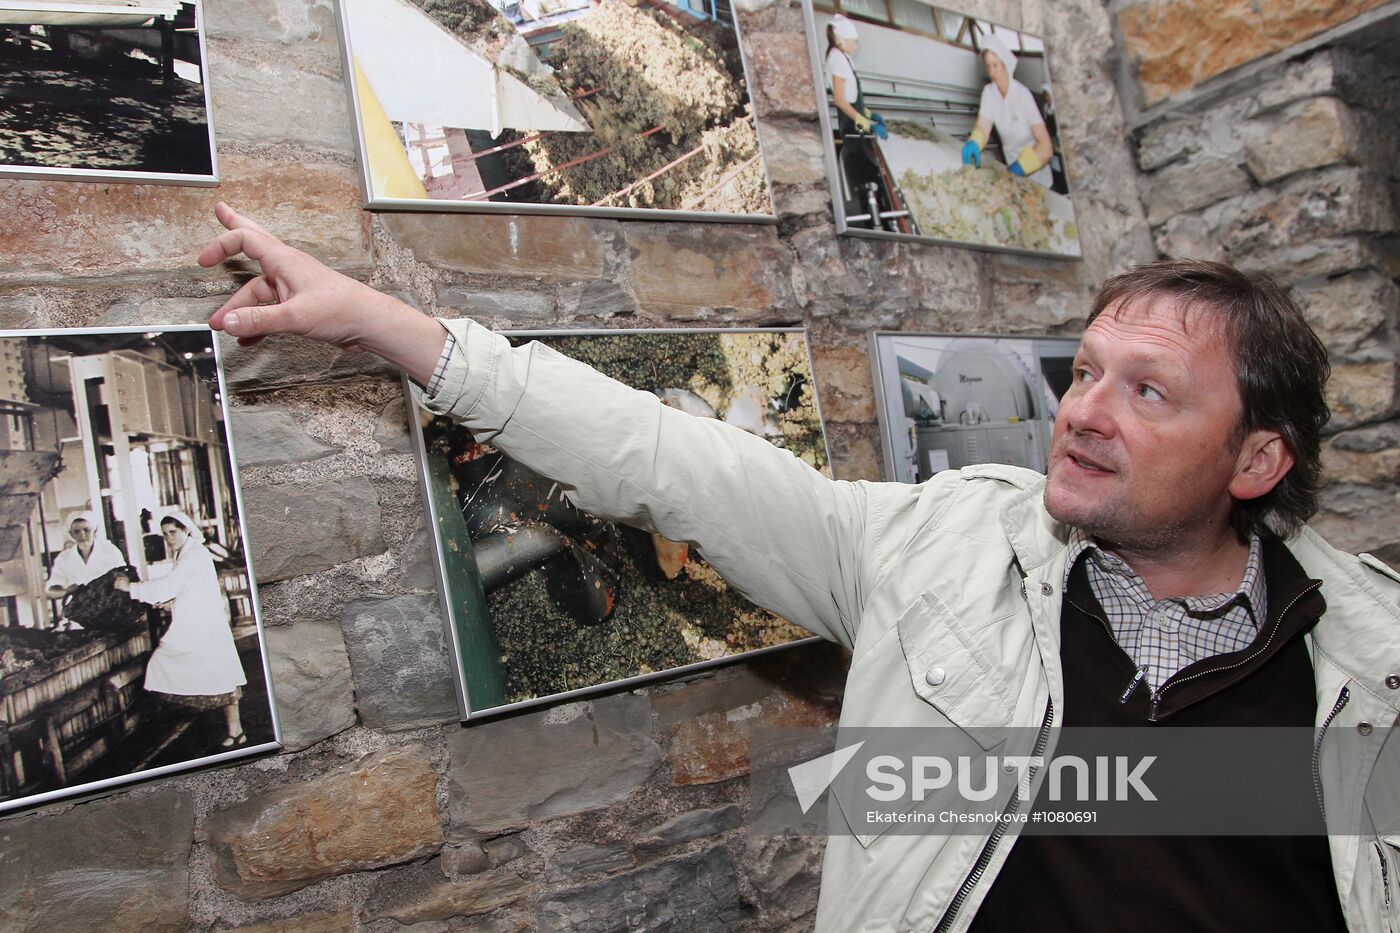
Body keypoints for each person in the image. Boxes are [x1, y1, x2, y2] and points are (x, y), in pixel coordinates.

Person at [198, 203, 1399, 931]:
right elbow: (665, 458)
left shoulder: (1370, 663)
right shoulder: (932, 550)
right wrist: (384, 325)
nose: (1084, 412)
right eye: (1081, 372)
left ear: (1254, 459)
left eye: (1147, 393)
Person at [114, 509, 248, 748]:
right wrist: (168, 600)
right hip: (199, 621)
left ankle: (234, 730)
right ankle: (234, 730)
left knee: (166, 660)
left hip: (201, 625)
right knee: (221, 673)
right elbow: (186, 588)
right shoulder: (186, 553)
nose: (169, 538)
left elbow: (171, 584)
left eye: (173, 532)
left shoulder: (193, 555)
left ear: (186, 530)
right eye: (165, 534)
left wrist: (131, 588)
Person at [961, 33, 1054, 189]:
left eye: (995, 65)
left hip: (1038, 178)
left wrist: (1021, 167)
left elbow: (1046, 147)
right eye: (988, 65)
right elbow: (983, 126)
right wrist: (975, 142)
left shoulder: (1022, 95)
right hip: (1014, 179)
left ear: (1004, 63)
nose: (992, 71)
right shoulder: (989, 93)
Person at [45, 510, 128, 627]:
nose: (82, 535)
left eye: (86, 530)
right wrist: (66, 591)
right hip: (79, 619)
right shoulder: (64, 558)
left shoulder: (109, 551)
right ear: (71, 533)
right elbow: (50, 590)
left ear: (95, 530)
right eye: (76, 531)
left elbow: (124, 578)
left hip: (109, 615)